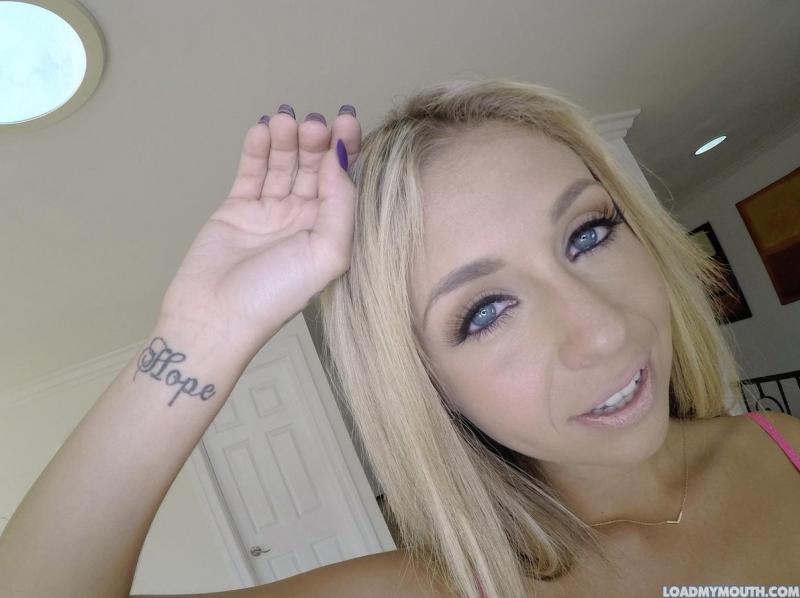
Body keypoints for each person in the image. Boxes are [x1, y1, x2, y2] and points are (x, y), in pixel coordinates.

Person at [0, 80, 797, 598]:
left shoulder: (782, 443)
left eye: (588, 234)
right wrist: (206, 335)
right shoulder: (456, 587)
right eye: (484, 312)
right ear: (429, 386)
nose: (601, 329)